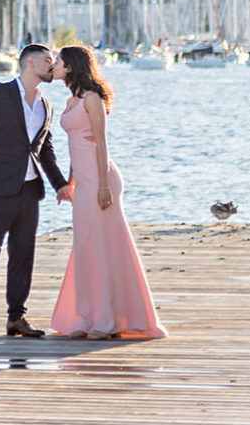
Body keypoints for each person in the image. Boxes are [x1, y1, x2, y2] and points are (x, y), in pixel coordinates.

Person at [48, 43, 166, 339]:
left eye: (58, 61)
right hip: (84, 180)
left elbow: (100, 143)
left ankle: (109, 319)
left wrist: (101, 186)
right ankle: (86, 317)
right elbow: (75, 144)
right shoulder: (70, 100)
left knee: (104, 246)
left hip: (102, 180)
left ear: (72, 66)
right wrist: (70, 181)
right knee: (85, 246)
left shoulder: (92, 98)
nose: (54, 65)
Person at [0, 43, 72, 340]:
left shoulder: (46, 104)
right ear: (30, 63)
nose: (53, 65)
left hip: (30, 190)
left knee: (23, 255)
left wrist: (60, 184)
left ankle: (16, 317)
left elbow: (44, 149)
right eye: (49, 60)